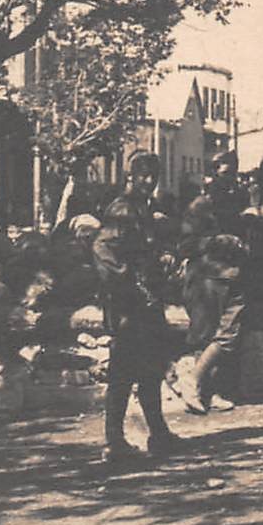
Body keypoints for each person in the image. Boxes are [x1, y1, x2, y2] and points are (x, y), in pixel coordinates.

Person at [93, 153, 183, 463]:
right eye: (143, 175)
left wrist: (164, 257)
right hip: (128, 305)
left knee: (151, 369)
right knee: (122, 371)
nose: (148, 181)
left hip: (146, 301)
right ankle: (114, 441)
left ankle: (158, 434)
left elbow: (146, 248)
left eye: (153, 175)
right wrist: (128, 285)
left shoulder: (145, 209)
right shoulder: (123, 209)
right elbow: (103, 249)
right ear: (131, 176)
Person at [176, 150, 254, 414]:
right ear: (213, 173)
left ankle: (203, 385)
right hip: (206, 279)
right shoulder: (200, 206)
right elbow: (184, 245)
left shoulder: (241, 202)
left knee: (229, 334)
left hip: (234, 276)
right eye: (224, 173)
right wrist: (214, 241)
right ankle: (202, 389)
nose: (229, 180)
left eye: (233, 173)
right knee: (204, 335)